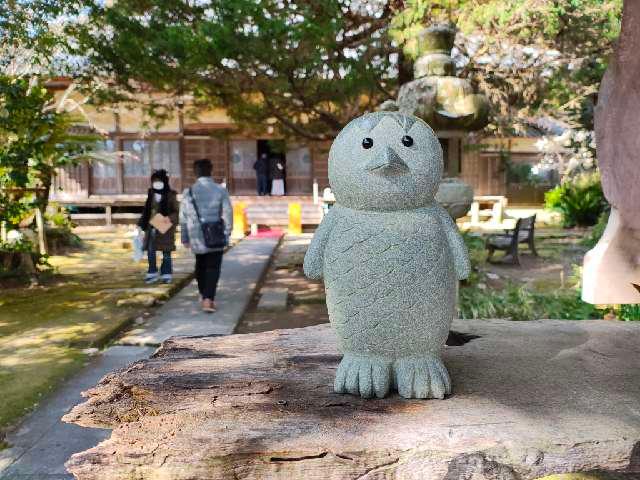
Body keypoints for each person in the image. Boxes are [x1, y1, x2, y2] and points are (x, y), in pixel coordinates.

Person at [180, 159, 233, 313]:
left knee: (200, 265)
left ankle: (204, 294)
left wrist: (185, 237)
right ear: (211, 171)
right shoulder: (220, 190)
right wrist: (227, 232)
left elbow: (183, 217)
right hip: (215, 234)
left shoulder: (188, 192)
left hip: (196, 234)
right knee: (213, 267)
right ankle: (208, 300)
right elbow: (228, 213)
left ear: (195, 173)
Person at [137, 169, 179, 284]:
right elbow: (146, 211)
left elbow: (176, 212)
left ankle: (166, 273)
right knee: (151, 251)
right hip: (152, 227)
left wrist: (168, 219)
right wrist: (141, 225)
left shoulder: (171, 195)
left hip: (166, 227)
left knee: (166, 252)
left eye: (159, 181)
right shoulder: (151, 194)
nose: (157, 183)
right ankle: (152, 272)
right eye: (154, 181)